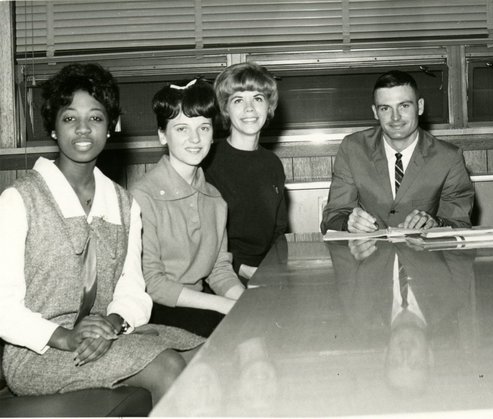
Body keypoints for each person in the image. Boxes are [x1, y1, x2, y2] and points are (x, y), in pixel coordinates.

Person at [0, 63, 203, 403]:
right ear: (52, 127)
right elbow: (3, 307)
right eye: (69, 118)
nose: (83, 129)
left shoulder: (124, 204)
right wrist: (64, 336)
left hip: (108, 335)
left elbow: (134, 292)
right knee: (167, 366)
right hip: (38, 350)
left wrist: (111, 323)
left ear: (112, 126)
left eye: (95, 118)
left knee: (208, 356)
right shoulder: (19, 200)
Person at [131, 78, 246, 338]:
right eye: (182, 129)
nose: (195, 139)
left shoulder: (215, 199)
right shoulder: (142, 196)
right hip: (155, 309)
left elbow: (219, 271)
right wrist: (225, 306)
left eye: (204, 128)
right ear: (162, 134)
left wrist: (246, 302)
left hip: (197, 304)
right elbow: (152, 283)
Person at [321, 70, 474, 233]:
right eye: (385, 108)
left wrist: (436, 223)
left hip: (423, 256)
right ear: (375, 112)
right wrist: (347, 222)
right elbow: (333, 217)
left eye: (404, 106)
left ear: (420, 107)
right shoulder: (352, 148)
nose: (395, 117)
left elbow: (460, 222)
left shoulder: (448, 157)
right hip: (368, 255)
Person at [204, 62, 288, 281]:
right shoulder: (208, 161)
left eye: (258, 98)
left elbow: (279, 233)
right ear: (225, 108)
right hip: (222, 276)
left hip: (267, 273)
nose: (249, 108)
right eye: (238, 100)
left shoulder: (273, 163)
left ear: (269, 106)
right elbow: (204, 239)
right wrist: (244, 269)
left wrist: (275, 271)